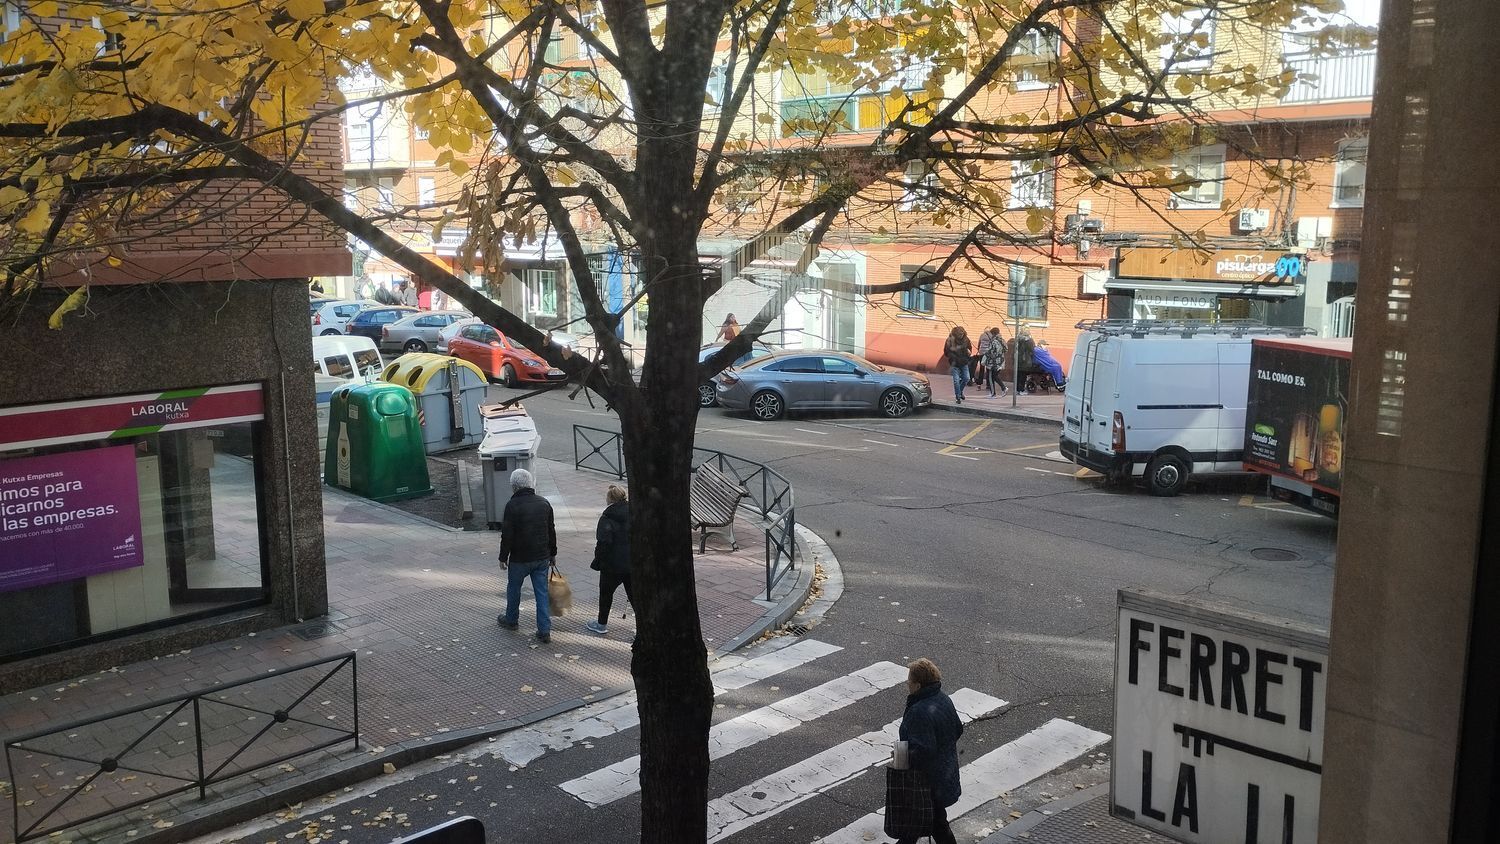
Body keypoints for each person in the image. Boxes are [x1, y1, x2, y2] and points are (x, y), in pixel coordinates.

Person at [895, 658, 962, 844]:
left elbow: (924, 751)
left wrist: (901, 756)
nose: (907, 685)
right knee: (927, 821)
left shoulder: (919, 711)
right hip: (945, 774)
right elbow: (957, 729)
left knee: (931, 822)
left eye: (909, 681)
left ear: (917, 685)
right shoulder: (943, 699)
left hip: (927, 782)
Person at [498, 468, 558, 644]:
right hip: (541, 556)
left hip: (519, 557)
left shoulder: (512, 505)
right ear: (530, 484)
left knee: (514, 588)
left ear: (514, 487)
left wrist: (503, 557)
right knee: (541, 592)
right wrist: (553, 553)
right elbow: (551, 530)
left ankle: (511, 620)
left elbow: (507, 534)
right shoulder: (544, 503)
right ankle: (544, 630)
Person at [585, 485, 634, 636]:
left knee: (606, 594)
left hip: (612, 564)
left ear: (610, 499)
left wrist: (598, 561)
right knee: (634, 595)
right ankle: (643, 628)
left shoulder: (607, 518)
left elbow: (603, 543)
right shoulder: (634, 513)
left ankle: (601, 624)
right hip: (631, 562)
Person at [942, 327, 972, 404]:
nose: (961, 335)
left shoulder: (966, 339)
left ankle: (960, 391)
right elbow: (946, 352)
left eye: (962, 334)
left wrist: (969, 352)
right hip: (954, 363)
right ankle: (958, 397)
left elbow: (969, 348)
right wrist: (953, 356)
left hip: (964, 362)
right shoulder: (950, 340)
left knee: (966, 378)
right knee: (956, 381)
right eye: (959, 334)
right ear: (956, 334)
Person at [982, 327, 1008, 397]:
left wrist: (986, 354)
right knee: (995, 376)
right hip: (1001, 361)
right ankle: (1003, 388)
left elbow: (990, 351)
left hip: (993, 362)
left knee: (990, 377)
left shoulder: (993, 341)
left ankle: (993, 393)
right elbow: (1006, 349)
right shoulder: (1002, 340)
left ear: (993, 333)